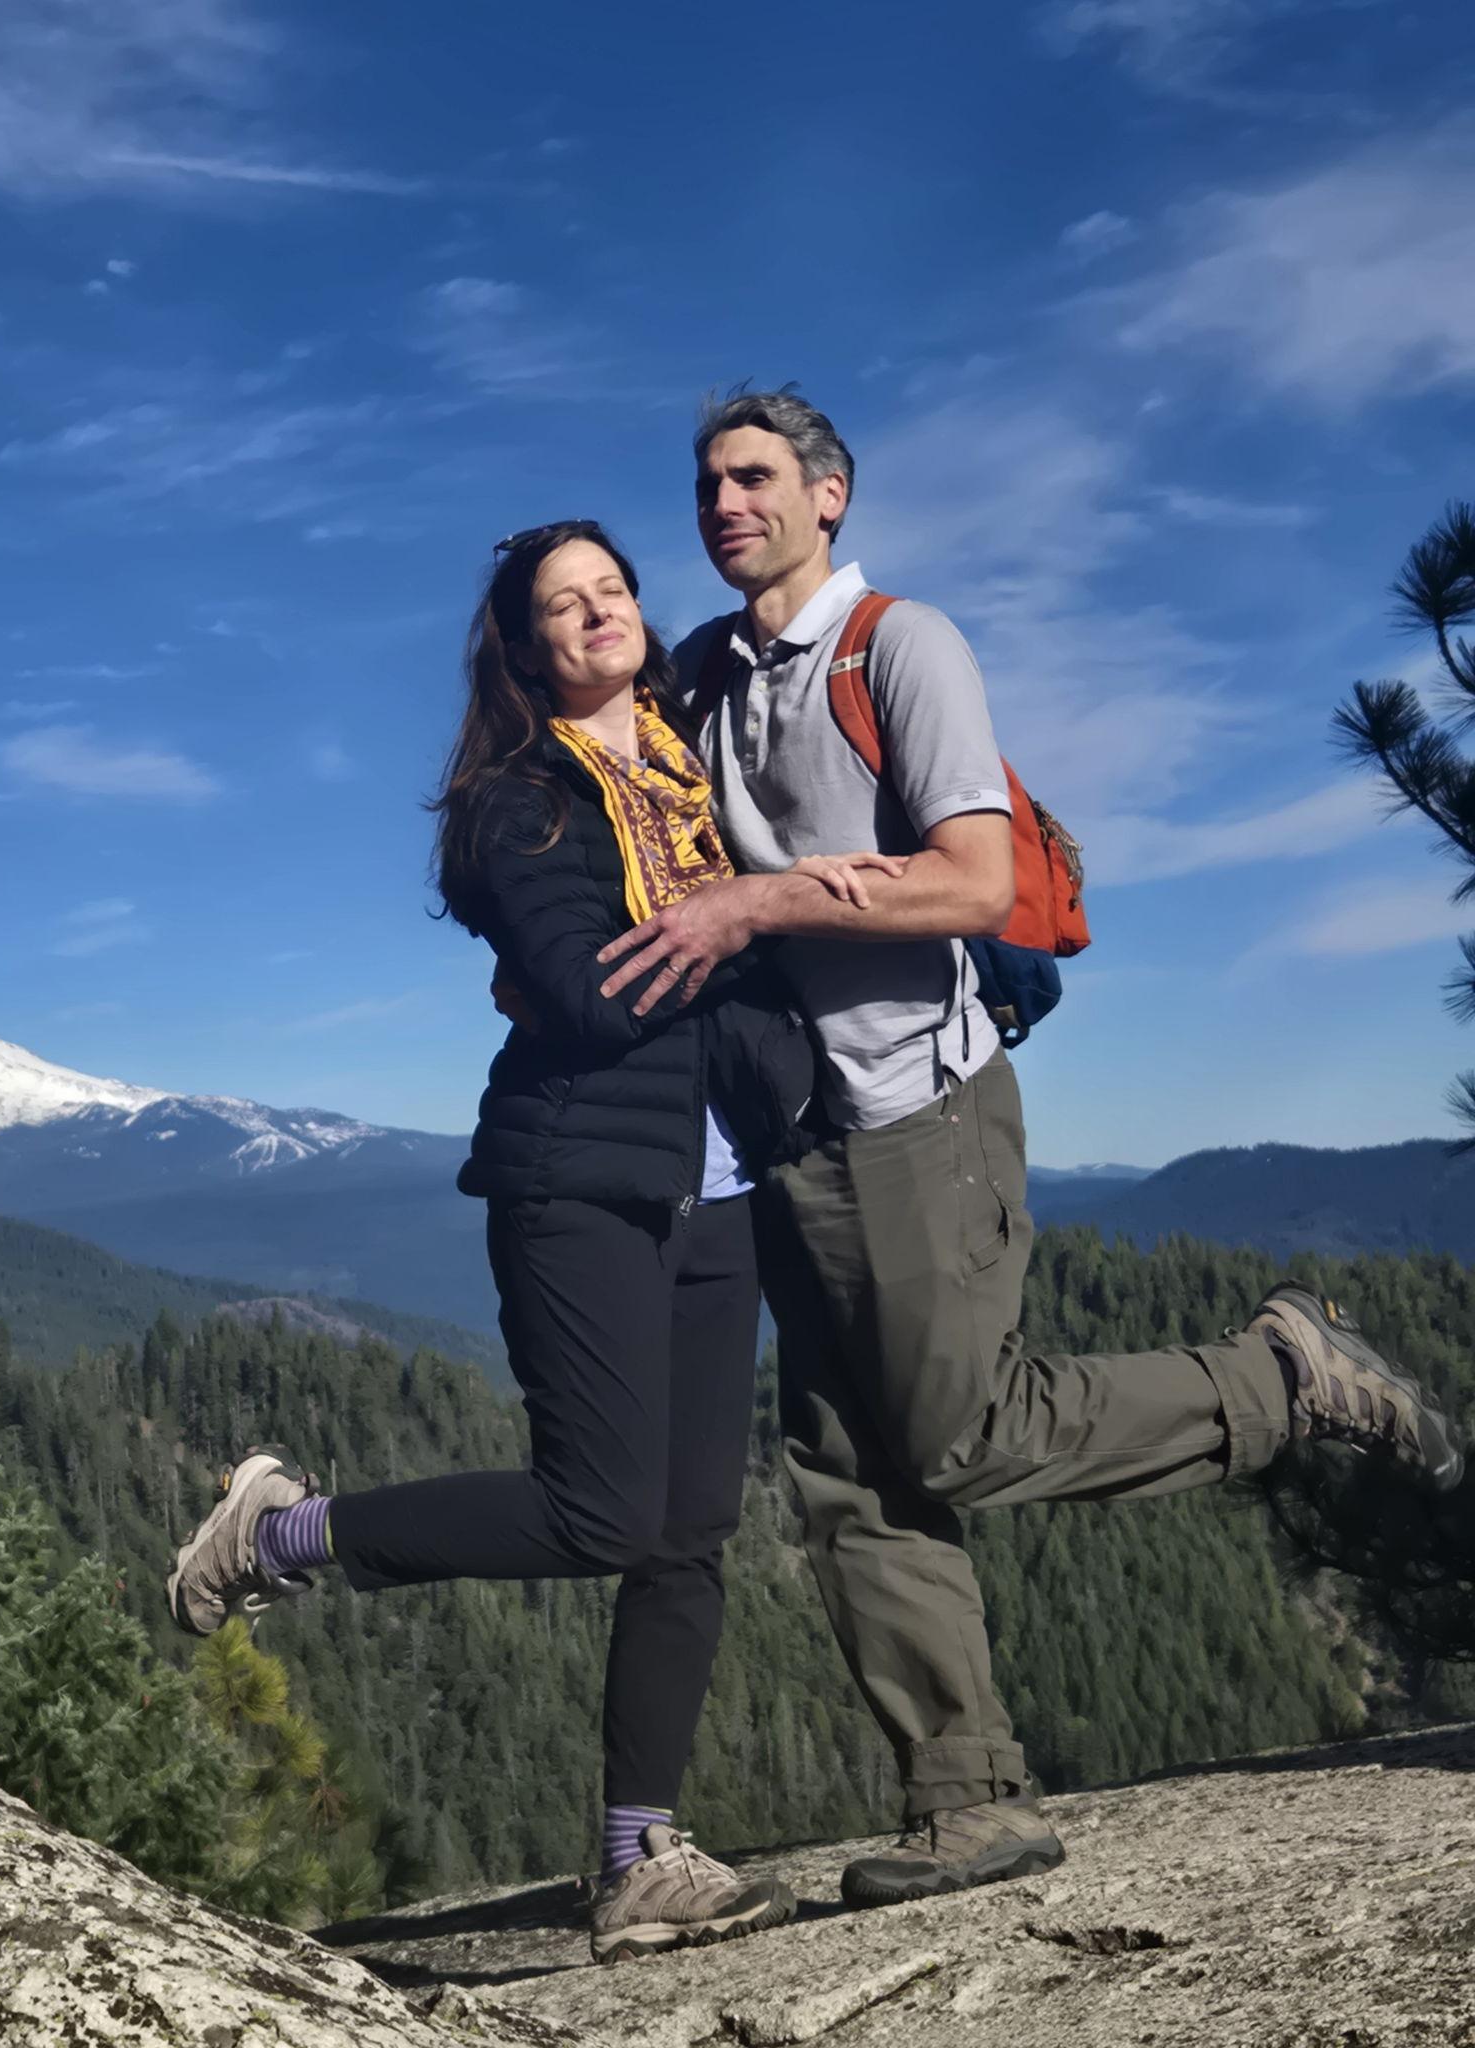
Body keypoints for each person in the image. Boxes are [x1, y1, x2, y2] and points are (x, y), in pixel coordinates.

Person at [595, 384, 1468, 1908]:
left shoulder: (901, 648)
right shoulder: (708, 677)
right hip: (800, 1129)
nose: (724, 503)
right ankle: (967, 1797)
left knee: (961, 1434)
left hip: (926, 1110)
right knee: (847, 1472)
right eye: (706, 482)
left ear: (829, 496)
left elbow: (978, 880)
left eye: (753, 477)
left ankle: (1281, 1374)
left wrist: (762, 901)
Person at [167, 519, 883, 1962]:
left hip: (721, 1190)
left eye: (612, 588)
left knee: (688, 1537)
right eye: (562, 605)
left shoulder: (693, 762)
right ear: (525, 648)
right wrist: (752, 921)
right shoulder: (520, 806)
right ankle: (281, 1531)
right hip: (582, 1186)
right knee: (600, 1512)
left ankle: (637, 1862)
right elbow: (594, 991)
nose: (597, 613)